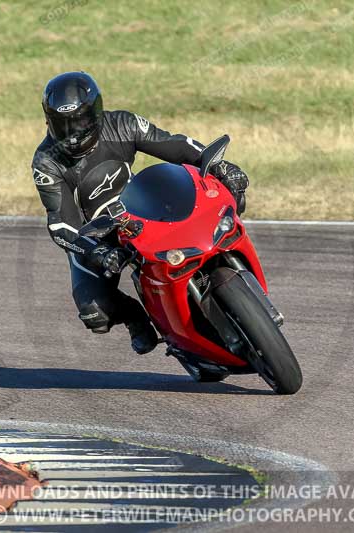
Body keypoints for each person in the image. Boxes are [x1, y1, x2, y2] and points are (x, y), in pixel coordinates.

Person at [31, 71, 249, 354]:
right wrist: (96, 251)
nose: (72, 133)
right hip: (97, 234)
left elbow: (178, 146)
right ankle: (136, 317)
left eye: (80, 121)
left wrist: (220, 166)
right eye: (63, 124)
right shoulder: (46, 162)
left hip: (146, 205)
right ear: (48, 121)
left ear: (96, 112)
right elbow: (61, 224)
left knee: (227, 200)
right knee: (94, 312)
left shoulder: (123, 124)